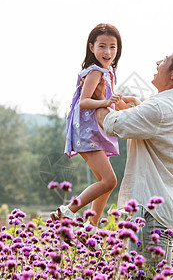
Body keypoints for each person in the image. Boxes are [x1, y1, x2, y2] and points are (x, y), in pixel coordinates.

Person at [96, 43, 173, 267]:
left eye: (164, 60)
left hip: (151, 214)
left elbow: (110, 123)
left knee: (144, 273)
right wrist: (137, 107)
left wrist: (97, 99)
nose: (158, 63)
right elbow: (150, 123)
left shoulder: (160, 108)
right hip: (164, 207)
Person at [50, 23, 124, 230]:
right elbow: (84, 101)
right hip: (86, 132)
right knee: (109, 181)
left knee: (105, 183)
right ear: (91, 47)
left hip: (97, 132)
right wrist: (105, 103)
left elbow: (114, 100)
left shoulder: (109, 72)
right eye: (102, 46)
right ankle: (68, 211)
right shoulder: (94, 72)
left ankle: (90, 229)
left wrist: (133, 106)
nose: (107, 52)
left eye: (112, 47)